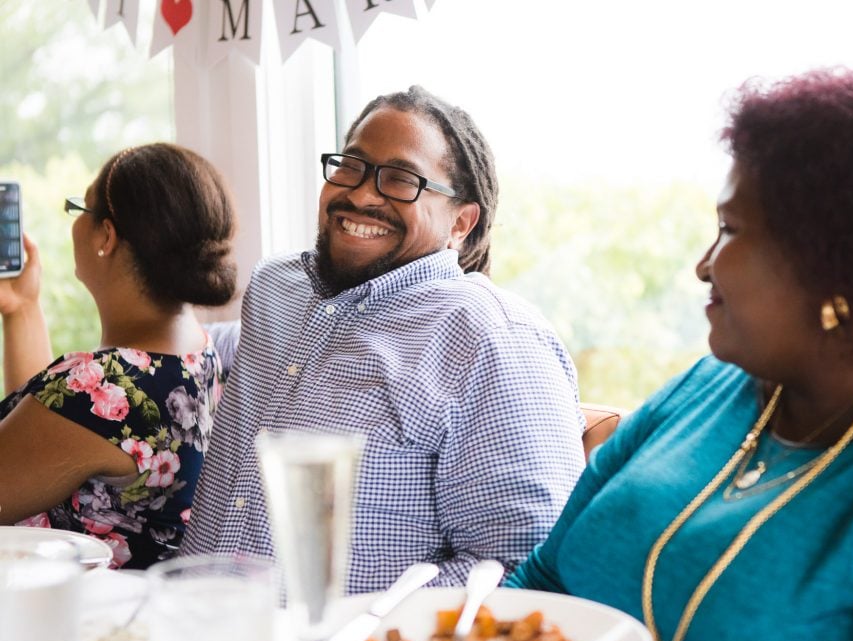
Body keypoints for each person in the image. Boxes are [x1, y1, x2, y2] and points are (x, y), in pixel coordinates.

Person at [507, 68, 853, 641]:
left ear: (837, 266)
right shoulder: (707, 387)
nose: (703, 266)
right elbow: (537, 585)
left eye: (729, 228)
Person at [181, 86, 585, 592]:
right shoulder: (273, 290)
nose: (363, 195)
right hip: (191, 628)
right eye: (351, 167)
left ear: (461, 223)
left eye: (401, 180)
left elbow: (523, 568)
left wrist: (354, 639)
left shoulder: (494, 341)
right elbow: (198, 346)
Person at [0, 143, 237, 569]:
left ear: (106, 236)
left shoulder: (101, 383)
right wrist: (22, 307)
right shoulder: (196, 354)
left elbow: (57, 421)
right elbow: (43, 432)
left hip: (64, 620)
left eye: (80, 209)